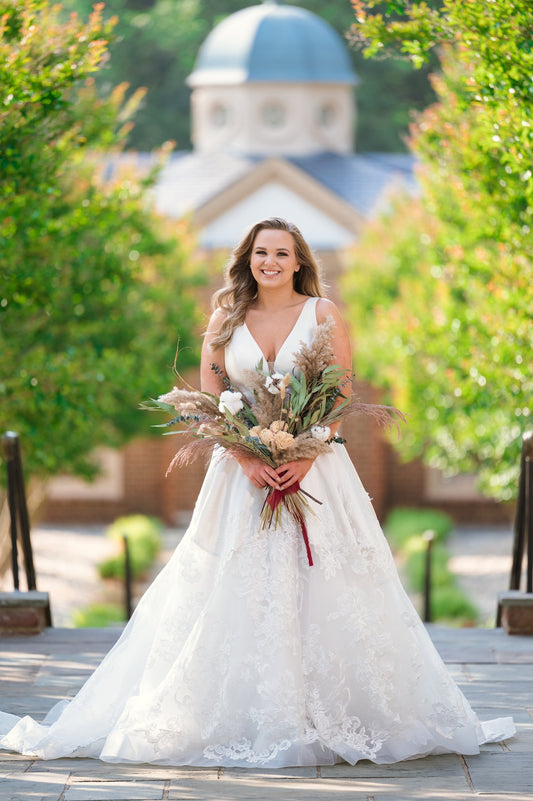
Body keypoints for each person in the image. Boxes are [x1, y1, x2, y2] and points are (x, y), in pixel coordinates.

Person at [0, 217, 514, 767]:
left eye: (282, 254)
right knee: (230, 584)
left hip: (315, 471)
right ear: (248, 258)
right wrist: (246, 456)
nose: (270, 262)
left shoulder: (322, 314)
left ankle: (334, 711)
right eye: (261, 252)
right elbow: (212, 398)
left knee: (327, 585)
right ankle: (238, 711)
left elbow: (340, 393)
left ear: (299, 263)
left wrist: (307, 454)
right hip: (238, 478)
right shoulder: (226, 317)